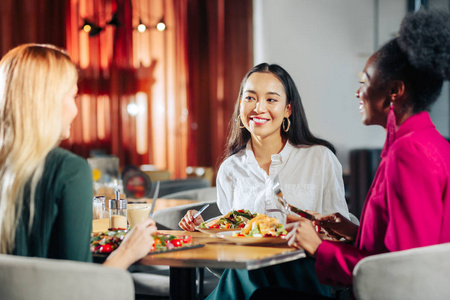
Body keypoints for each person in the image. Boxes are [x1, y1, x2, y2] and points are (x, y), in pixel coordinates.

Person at [280, 8, 450, 292]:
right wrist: (350, 231)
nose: (358, 92)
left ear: (394, 91)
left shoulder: (409, 153)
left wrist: (318, 247)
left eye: (365, 81)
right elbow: (400, 246)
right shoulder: (430, 143)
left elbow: (401, 270)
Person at [179, 63, 350, 299]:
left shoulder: (320, 158)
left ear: (288, 109)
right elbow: (231, 243)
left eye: (271, 100)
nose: (258, 108)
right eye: (250, 98)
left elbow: (340, 233)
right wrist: (204, 230)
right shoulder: (230, 169)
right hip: (245, 276)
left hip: (304, 275)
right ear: (240, 105)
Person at [0, 44, 157, 269]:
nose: (75, 109)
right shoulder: (69, 170)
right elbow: (79, 286)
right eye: (73, 96)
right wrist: (128, 251)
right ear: (47, 101)